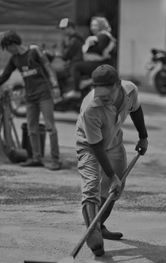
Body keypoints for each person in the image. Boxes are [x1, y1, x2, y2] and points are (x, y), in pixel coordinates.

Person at [76, 64, 148, 256]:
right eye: (99, 91)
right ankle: (94, 238)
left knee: (116, 188)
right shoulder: (90, 107)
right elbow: (96, 146)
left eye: (107, 92)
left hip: (114, 142)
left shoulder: (130, 90)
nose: (102, 96)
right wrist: (110, 175)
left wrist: (143, 137)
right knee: (92, 186)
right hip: (89, 146)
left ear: (118, 84)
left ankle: (99, 224)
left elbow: (136, 110)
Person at [0, 30, 61, 170]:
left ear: (13, 44)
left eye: (7, 47)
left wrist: (55, 85)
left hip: (44, 94)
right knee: (31, 128)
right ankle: (36, 158)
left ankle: (55, 159)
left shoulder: (34, 51)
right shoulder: (14, 59)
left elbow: (48, 68)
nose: (8, 51)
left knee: (50, 126)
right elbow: (5, 76)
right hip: (30, 97)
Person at [65, 16, 116, 99]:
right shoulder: (101, 36)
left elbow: (99, 49)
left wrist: (89, 45)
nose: (92, 28)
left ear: (102, 25)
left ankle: (76, 90)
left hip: (102, 64)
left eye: (95, 25)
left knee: (76, 66)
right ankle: (87, 83)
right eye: (91, 25)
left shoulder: (103, 35)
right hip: (102, 63)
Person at [53, 18, 84, 93]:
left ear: (70, 28)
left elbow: (66, 56)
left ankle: (63, 94)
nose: (62, 31)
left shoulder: (75, 40)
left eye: (63, 29)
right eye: (61, 29)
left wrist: (58, 54)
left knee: (57, 74)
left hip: (75, 65)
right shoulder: (72, 39)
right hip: (72, 64)